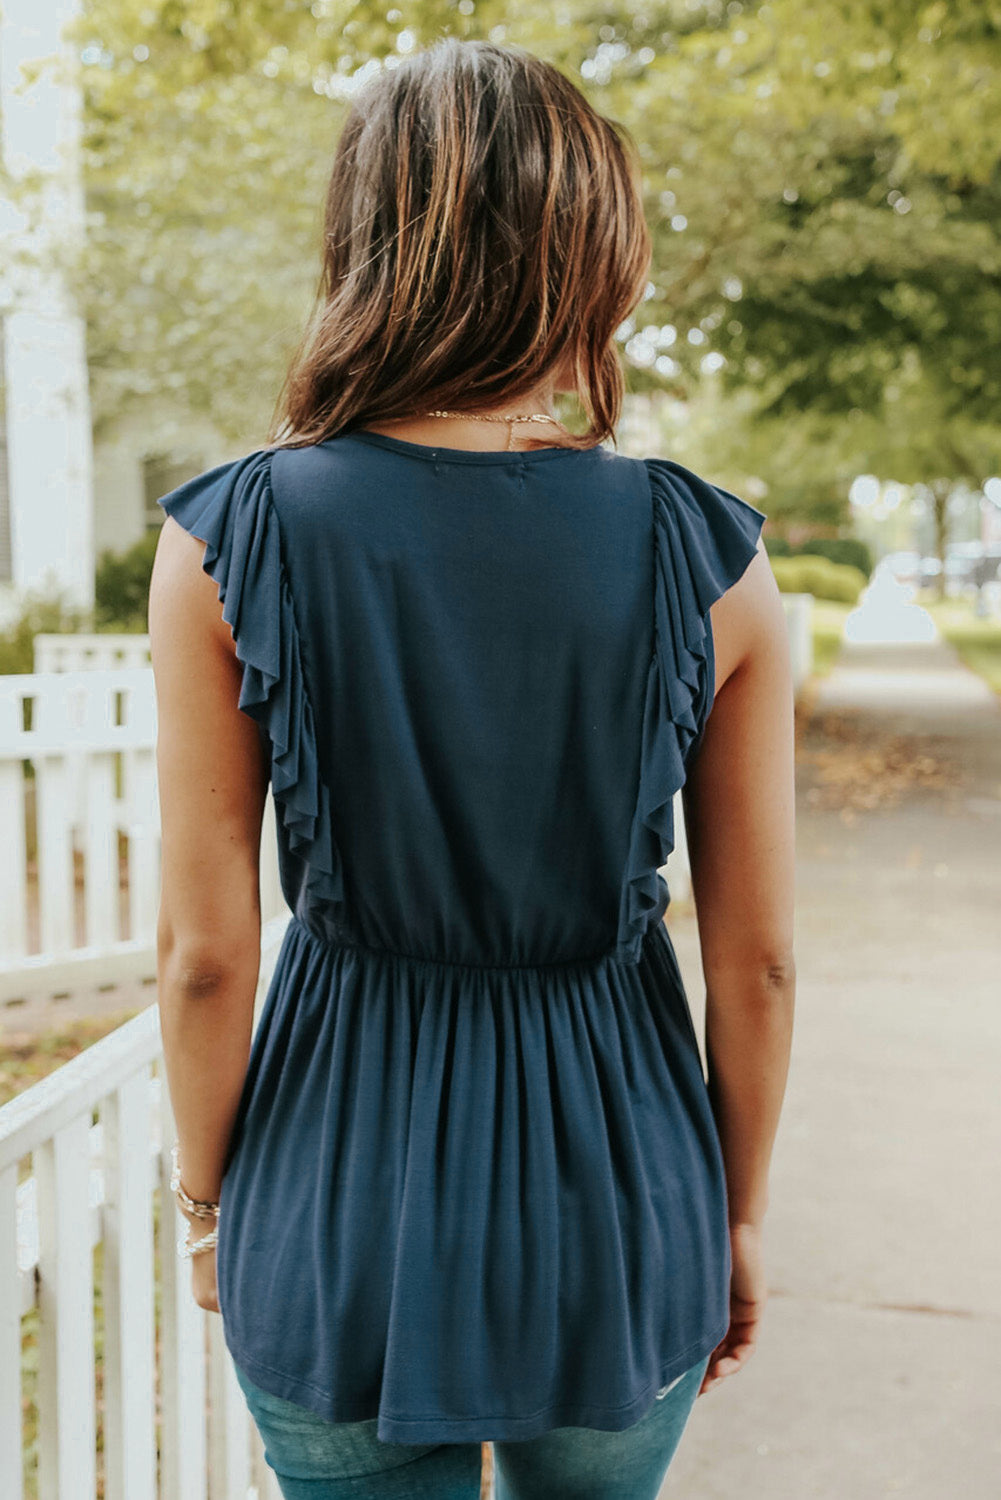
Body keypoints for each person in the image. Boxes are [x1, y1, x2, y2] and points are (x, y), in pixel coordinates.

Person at [148, 35, 796, 1500]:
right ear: (594, 255)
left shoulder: (230, 541)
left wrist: (208, 1210)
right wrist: (735, 1215)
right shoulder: (710, 560)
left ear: (362, 239)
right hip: (624, 1194)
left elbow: (203, 957)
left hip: (336, 1198)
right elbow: (757, 966)